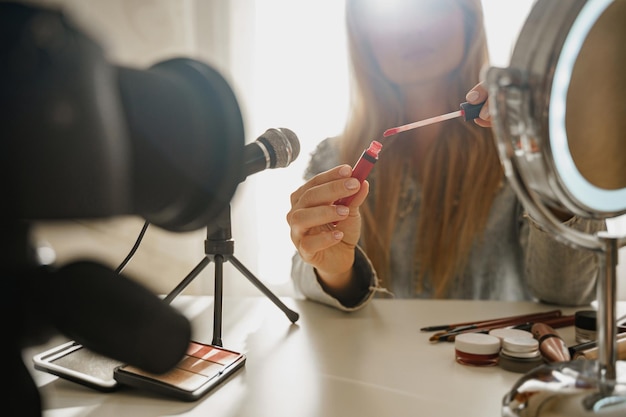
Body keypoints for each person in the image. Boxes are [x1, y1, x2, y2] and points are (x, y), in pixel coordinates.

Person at [286, 0, 604, 311]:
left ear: (468, 16)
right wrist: (336, 271)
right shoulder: (335, 159)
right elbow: (306, 277)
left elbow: (569, 293)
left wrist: (548, 162)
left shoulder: (520, 151)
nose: (412, 28)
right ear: (364, 37)